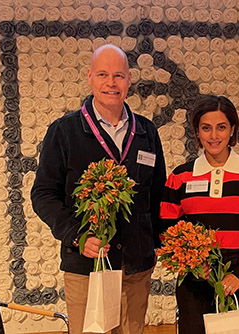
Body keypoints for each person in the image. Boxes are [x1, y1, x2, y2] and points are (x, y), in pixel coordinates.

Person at [31, 44, 166, 334]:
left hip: (135, 270)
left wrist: (159, 244)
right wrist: (77, 235)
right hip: (87, 269)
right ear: (90, 77)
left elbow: (157, 195)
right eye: (103, 74)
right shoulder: (64, 131)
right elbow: (42, 195)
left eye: (118, 75)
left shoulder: (146, 132)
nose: (111, 83)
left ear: (130, 79)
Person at [160, 94, 239, 334]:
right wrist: (192, 263)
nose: (214, 136)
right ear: (197, 132)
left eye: (221, 127)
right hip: (195, 279)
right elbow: (167, 230)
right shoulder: (179, 177)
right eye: (206, 128)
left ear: (232, 129)